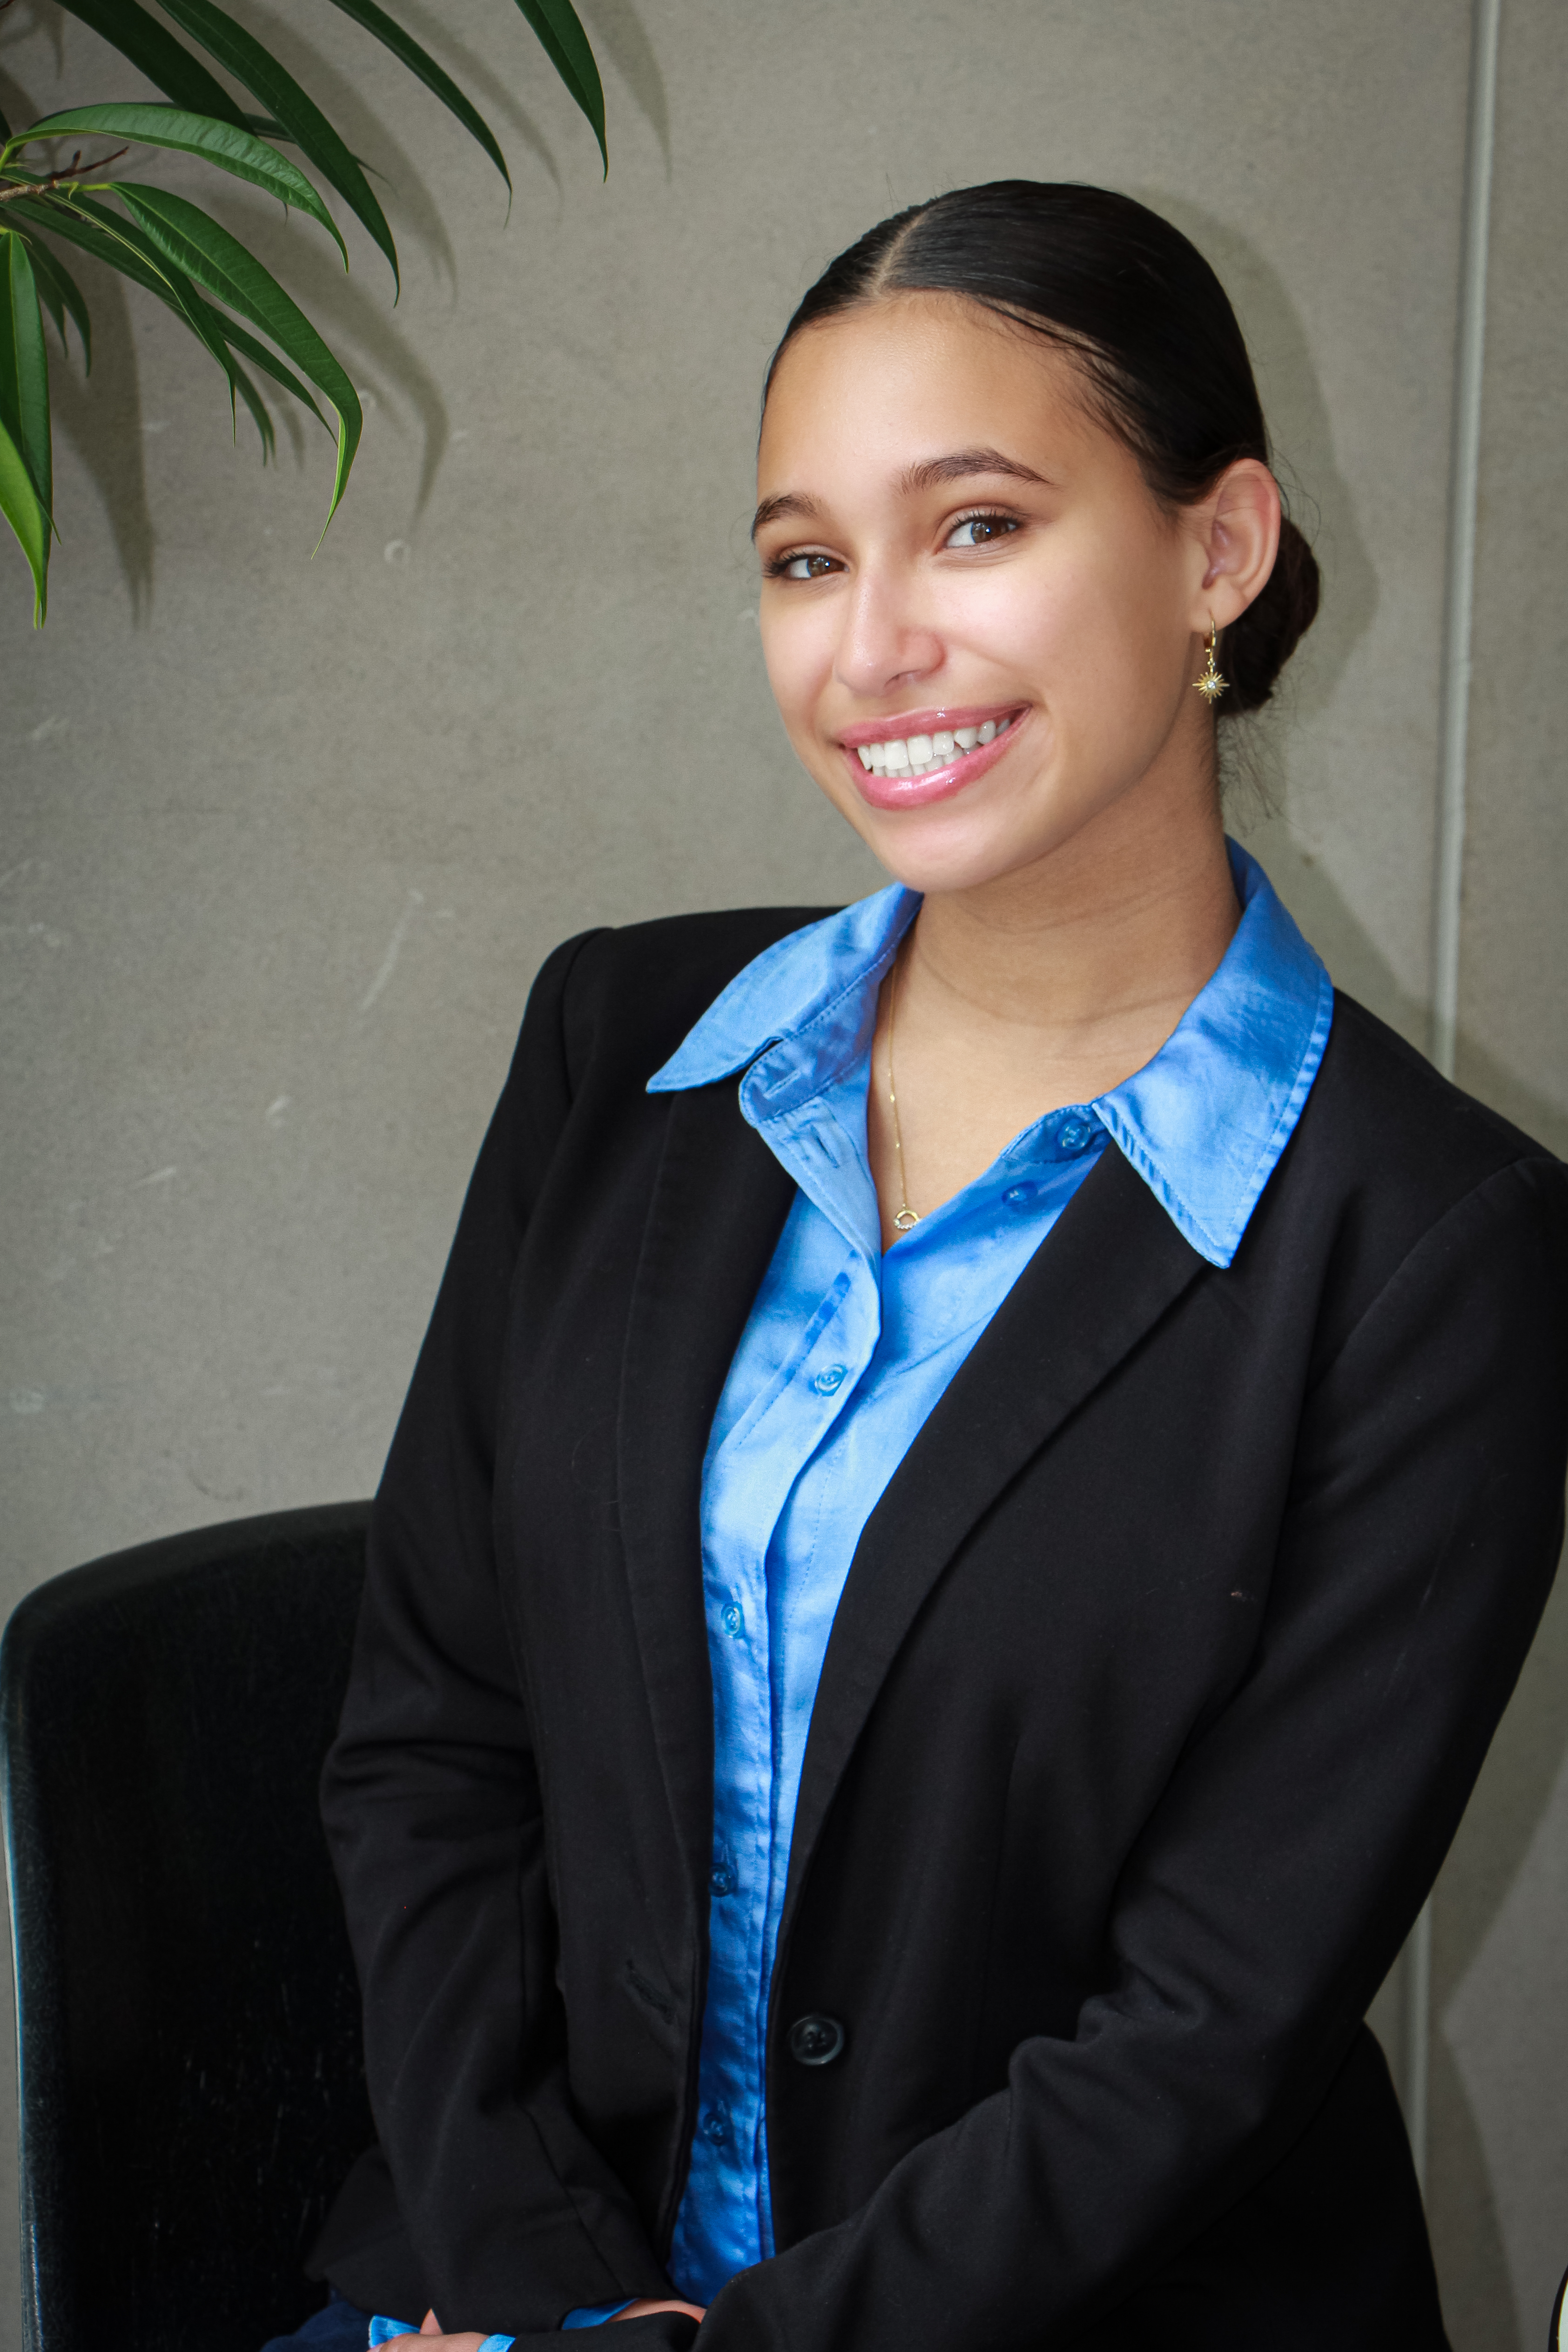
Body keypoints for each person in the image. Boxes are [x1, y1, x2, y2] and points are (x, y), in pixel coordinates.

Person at [266, 182, 1568, 2352]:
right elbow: (433, 1732)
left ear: (1218, 551)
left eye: (974, 527)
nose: (869, 647)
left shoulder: (1436, 1254)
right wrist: (538, 2290)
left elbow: (1205, 2027)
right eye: (803, 559)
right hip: (504, 2296)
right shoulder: (622, 1048)